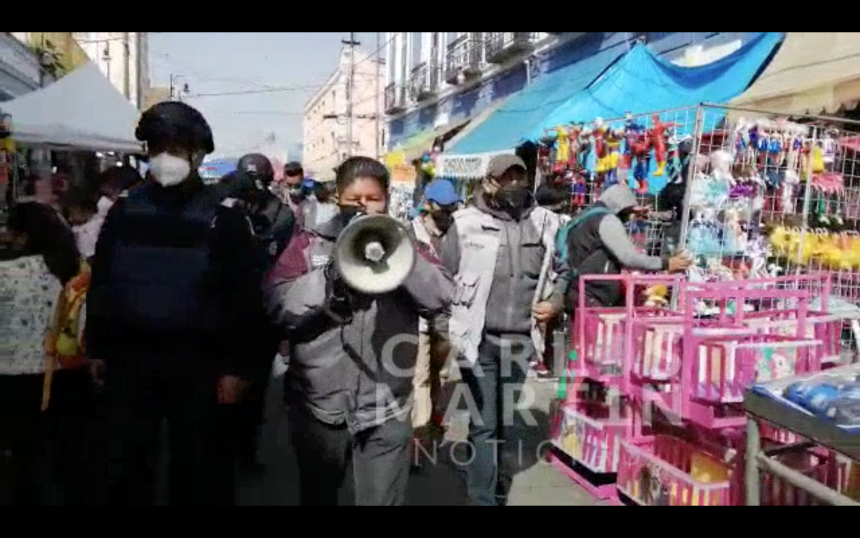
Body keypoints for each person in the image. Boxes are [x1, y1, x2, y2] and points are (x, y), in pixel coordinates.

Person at [85, 101, 264, 506]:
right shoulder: (125, 211)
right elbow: (103, 283)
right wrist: (97, 347)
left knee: (201, 468)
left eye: (177, 147)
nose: (166, 156)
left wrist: (239, 368)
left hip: (201, 363)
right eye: (157, 146)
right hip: (131, 358)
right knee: (126, 466)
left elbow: (245, 300)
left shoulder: (225, 218)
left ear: (199, 154)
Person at [264, 156, 454, 506]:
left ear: (386, 199)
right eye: (354, 200)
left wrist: (401, 259)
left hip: (386, 404)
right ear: (338, 198)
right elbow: (278, 305)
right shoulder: (310, 244)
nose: (364, 207)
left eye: (373, 199)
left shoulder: (408, 243)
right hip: (320, 404)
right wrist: (326, 278)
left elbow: (442, 295)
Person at [440, 154, 568, 506]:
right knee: (484, 423)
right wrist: (445, 329)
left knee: (504, 423)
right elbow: (442, 277)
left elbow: (564, 270)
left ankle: (491, 478)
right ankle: (482, 497)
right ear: (488, 183)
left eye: (518, 178)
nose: (512, 185)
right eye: (504, 178)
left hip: (521, 341)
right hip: (477, 342)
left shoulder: (547, 223)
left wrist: (555, 302)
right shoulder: (464, 224)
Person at [0, 202, 93, 505]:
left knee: (24, 460)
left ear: (21, 235)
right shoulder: (77, 271)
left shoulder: (6, 274)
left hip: (14, 380)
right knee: (69, 459)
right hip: (70, 374)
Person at [221, 152, 296, 472]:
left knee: (254, 389)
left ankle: (245, 452)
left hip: (261, 312)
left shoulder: (281, 215)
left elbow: (284, 268)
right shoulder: (221, 207)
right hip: (223, 310)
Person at [559, 182, 692, 311]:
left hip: (576, 290)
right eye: (628, 212)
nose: (629, 218)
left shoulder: (587, 215)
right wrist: (666, 263)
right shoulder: (607, 220)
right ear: (621, 208)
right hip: (590, 294)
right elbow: (629, 258)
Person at [409, 178, 459, 449]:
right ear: (427, 205)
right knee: (421, 377)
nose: (448, 213)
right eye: (443, 207)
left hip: (448, 317)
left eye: (452, 207)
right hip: (418, 317)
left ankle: (435, 416)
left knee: (440, 373)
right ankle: (420, 437)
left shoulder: (456, 232)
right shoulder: (409, 233)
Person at [280, 160, 318, 226]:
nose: (293, 189)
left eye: (297, 186)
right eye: (289, 185)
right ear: (284, 180)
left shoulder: (313, 195)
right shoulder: (279, 198)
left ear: (303, 179)